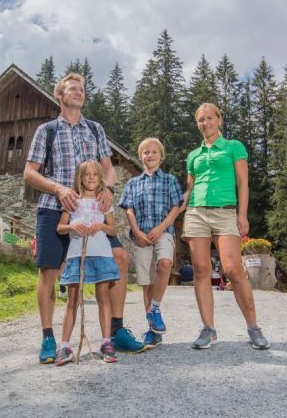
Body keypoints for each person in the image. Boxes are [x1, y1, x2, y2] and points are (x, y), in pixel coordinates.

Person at [24, 73, 144, 364]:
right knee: (49, 271)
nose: (79, 92)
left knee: (119, 259)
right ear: (60, 95)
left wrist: (109, 189)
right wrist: (58, 188)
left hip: (92, 209)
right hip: (55, 207)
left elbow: (108, 168)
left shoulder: (95, 128)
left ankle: (114, 332)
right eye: (72, 89)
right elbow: (29, 173)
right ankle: (49, 338)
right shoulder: (47, 130)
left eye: (82, 89)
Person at [181, 103, 270, 350]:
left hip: (225, 212)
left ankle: (253, 327)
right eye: (200, 119)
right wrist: (176, 210)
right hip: (196, 212)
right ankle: (208, 330)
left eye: (210, 118)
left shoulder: (234, 147)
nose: (205, 123)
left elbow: (243, 183)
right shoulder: (193, 155)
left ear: (219, 120)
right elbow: (189, 189)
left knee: (232, 269)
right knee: (201, 270)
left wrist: (242, 215)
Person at [119, 137, 183, 349]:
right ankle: (153, 330)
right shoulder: (133, 183)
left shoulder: (170, 180)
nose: (150, 155)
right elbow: (128, 208)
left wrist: (162, 227)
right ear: (141, 157)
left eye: (154, 152)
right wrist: (136, 231)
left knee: (164, 264)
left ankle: (155, 308)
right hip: (141, 236)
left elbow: (176, 207)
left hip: (163, 231)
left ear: (161, 157)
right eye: (146, 152)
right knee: (146, 282)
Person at [56, 160, 120, 365]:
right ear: (80, 178)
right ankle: (64, 346)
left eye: (95, 174)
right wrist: (72, 225)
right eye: (86, 174)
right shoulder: (73, 201)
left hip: (101, 254)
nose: (91, 177)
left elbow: (113, 230)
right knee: (72, 300)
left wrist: (101, 225)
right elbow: (60, 227)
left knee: (103, 298)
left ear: (100, 178)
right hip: (77, 255)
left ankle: (106, 341)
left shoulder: (104, 201)